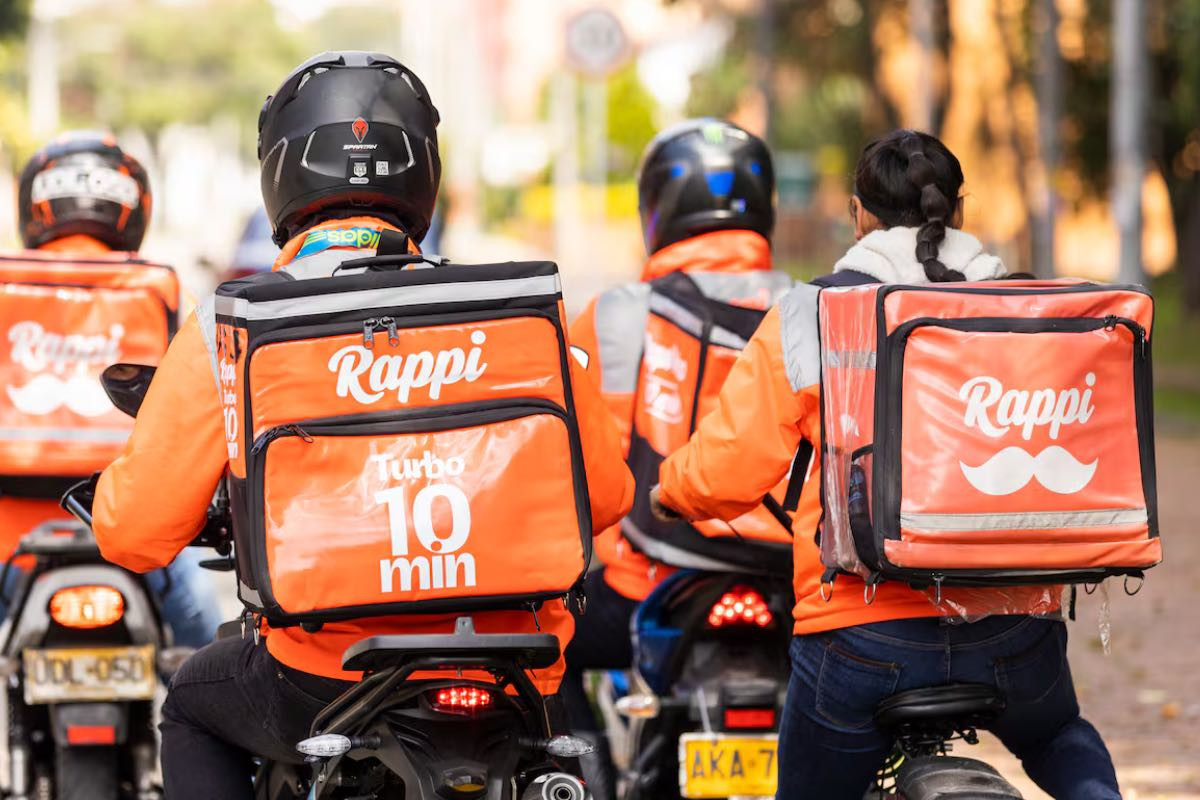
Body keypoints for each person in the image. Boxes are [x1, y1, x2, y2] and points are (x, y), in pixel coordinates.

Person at [90, 51, 634, 799]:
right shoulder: (521, 316)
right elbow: (604, 496)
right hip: (514, 667)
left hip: (323, 676)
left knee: (191, 705)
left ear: (281, 171)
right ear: (422, 170)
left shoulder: (236, 326)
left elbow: (134, 534)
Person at [653, 130, 1121, 799]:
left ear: (858, 214)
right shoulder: (1031, 310)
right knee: (1058, 735)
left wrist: (671, 494)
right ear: (959, 210)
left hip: (861, 636)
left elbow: (727, 470)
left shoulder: (812, 313)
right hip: (1015, 629)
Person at [563, 119, 792, 797]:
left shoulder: (613, 315)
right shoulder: (813, 308)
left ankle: (589, 780)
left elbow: (577, 461)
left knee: (545, 650)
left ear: (657, 208)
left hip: (649, 587)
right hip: (792, 586)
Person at [0, 132, 221, 648]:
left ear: (35, 204)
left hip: (9, 545)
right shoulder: (166, 289)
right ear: (133, 208)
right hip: (134, 540)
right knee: (209, 657)